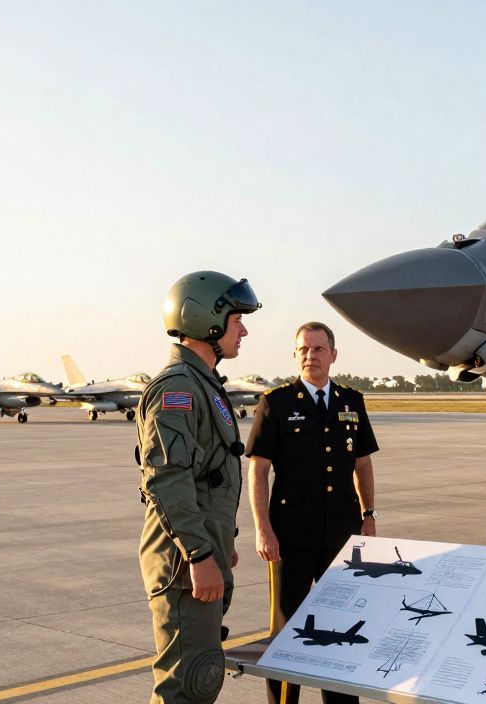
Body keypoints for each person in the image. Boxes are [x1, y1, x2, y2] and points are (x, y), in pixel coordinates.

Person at [137, 270, 261, 703]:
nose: (243, 330)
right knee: (187, 685)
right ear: (207, 322)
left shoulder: (203, 385)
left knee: (198, 679)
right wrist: (199, 552)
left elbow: (206, 475)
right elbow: (166, 480)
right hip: (184, 561)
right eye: (235, 320)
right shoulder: (178, 389)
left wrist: (219, 542)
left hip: (201, 551)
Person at [246, 321, 378, 704]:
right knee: (288, 631)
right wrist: (262, 529)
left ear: (333, 355)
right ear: (295, 355)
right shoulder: (277, 402)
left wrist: (368, 515)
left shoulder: (351, 401)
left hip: (341, 536)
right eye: (303, 349)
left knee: (339, 628)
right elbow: (258, 469)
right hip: (291, 537)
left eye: (318, 349)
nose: (310, 356)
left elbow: (363, 464)